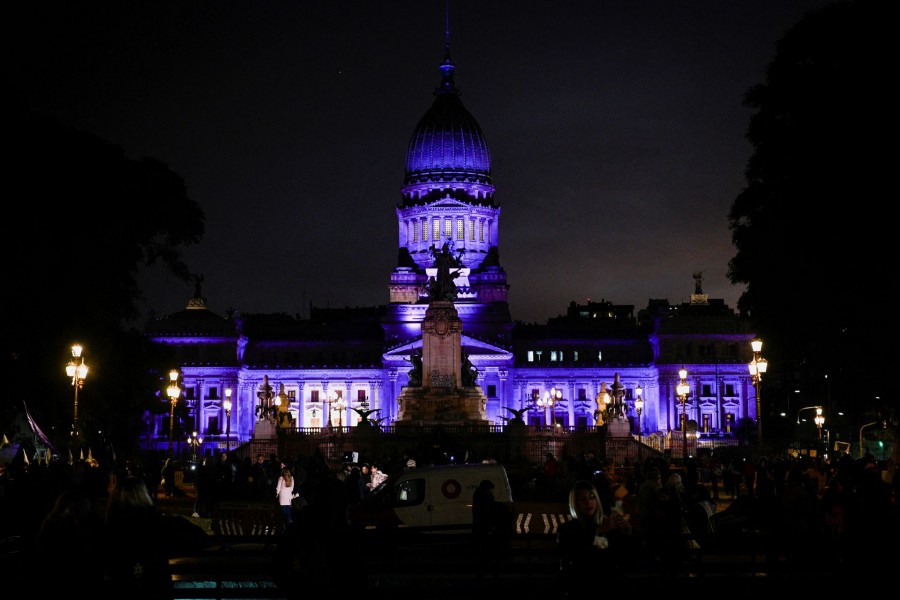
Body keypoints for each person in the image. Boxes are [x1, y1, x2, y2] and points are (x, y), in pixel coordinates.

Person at [102, 476, 207, 598]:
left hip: (120, 590)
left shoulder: (109, 528)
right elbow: (198, 536)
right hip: (155, 587)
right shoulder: (157, 522)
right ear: (144, 496)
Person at [557, 479, 633, 595]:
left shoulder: (607, 524)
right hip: (582, 588)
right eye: (583, 499)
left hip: (611, 587)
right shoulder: (569, 530)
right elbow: (580, 557)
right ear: (575, 503)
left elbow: (622, 556)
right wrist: (599, 531)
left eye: (592, 497)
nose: (588, 502)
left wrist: (628, 534)